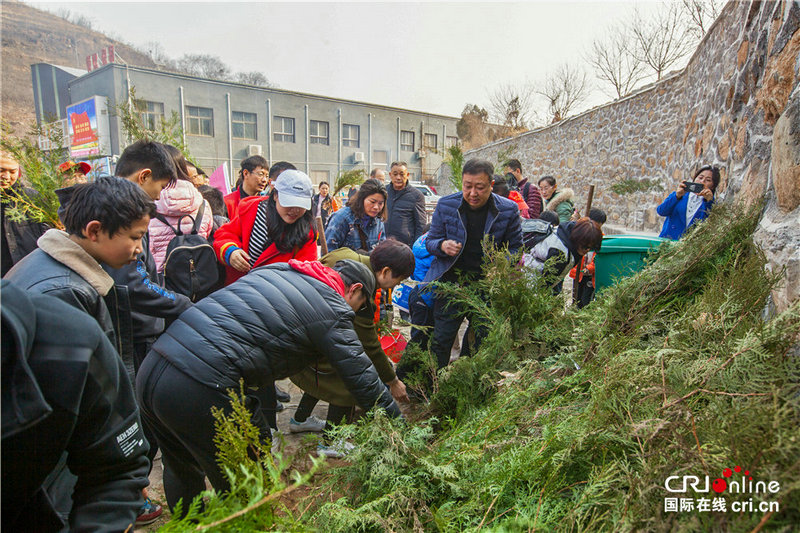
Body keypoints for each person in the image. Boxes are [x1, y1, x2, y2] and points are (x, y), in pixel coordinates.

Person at [136, 259, 401, 512]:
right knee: (249, 483)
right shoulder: (331, 307)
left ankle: (189, 524)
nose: (353, 313)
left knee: (181, 467)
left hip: (154, 367)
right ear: (354, 290)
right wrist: (402, 435)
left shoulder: (280, 270)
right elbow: (364, 381)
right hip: (202, 383)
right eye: (359, 305)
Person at [2, 281, 150, 533]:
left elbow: (118, 470)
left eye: (139, 238)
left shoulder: (72, 343)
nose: (138, 249)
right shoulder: (59, 288)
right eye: (134, 238)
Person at [289, 240, 414, 453]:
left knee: (322, 373)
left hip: (302, 320)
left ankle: (300, 419)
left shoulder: (345, 255)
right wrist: (392, 381)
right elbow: (369, 344)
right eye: (398, 279)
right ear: (385, 271)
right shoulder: (362, 288)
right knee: (348, 375)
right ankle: (331, 441)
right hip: (309, 329)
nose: (395, 286)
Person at [5, 176, 155, 347]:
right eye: (135, 237)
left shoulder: (46, 264)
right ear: (94, 230)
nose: (139, 249)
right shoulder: (66, 292)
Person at [425, 158, 522, 368]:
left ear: (491, 185)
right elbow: (430, 242)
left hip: (487, 286)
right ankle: (432, 385)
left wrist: (501, 264)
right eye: (467, 186)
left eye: (479, 187)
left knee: (481, 339)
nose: (472, 193)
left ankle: (465, 379)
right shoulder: (446, 204)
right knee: (441, 340)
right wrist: (443, 246)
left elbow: (517, 248)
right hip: (452, 283)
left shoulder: (508, 210)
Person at [214, 169, 318, 286]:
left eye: (300, 206)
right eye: (289, 203)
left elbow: (306, 274)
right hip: (237, 289)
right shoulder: (253, 211)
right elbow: (224, 235)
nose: (295, 210)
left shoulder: (307, 233)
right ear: (275, 196)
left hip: (275, 296)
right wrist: (231, 252)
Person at [148, 172, 214, 273]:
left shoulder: (148, 204)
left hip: (161, 275)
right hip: (198, 273)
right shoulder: (203, 204)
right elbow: (208, 232)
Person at [522, 217, 603, 294]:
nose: (587, 250)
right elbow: (546, 284)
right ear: (578, 239)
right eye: (585, 247)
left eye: (591, 248)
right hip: (527, 276)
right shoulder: (561, 254)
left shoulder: (564, 231)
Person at [1, 151, 49, 276]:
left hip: (29, 272)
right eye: (1, 170)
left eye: (12, 172)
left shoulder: (33, 199)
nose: (6, 176)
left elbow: (47, 233)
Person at [657, 166, 719, 240]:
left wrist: (708, 202)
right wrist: (677, 196)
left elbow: (708, 225)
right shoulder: (680, 195)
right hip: (667, 242)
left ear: (713, 186)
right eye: (700, 177)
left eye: (708, 180)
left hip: (689, 248)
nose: (702, 181)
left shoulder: (711, 204)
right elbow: (661, 211)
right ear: (694, 179)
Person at [325, 178, 387, 253]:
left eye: (380, 203)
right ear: (362, 199)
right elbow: (328, 253)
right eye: (372, 202)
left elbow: (382, 250)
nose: (376, 207)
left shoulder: (378, 221)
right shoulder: (341, 218)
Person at [569, 208, 607, 308]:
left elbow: (597, 258)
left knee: (586, 301)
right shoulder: (579, 234)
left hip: (589, 275)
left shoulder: (600, 238)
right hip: (578, 273)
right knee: (575, 298)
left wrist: (589, 268)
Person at [385, 161, 427, 246]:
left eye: (402, 174)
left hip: (404, 245)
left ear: (407, 175)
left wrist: (415, 246)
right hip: (383, 242)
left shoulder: (416, 195)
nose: (398, 177)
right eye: (395, 174)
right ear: (390, 175)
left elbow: (421, 225)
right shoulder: (384, 191)